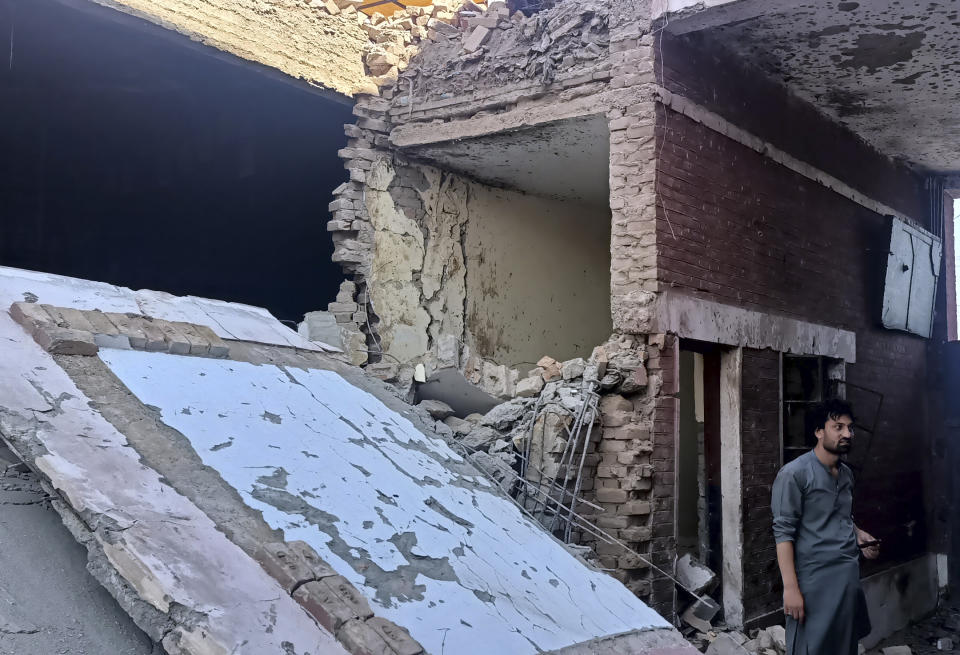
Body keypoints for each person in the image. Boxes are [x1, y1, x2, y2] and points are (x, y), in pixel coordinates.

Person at [771, 398, 879, 655]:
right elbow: (783, 533)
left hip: (846, 579)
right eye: (838, 427)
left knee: (844, 647)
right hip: (813, 583)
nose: (847, 434)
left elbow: (841, 516)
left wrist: (859, 535)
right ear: (819, 432)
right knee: (811, 648)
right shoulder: (794, 474)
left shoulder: (846, 474)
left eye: (850, 428)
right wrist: (791, 589)